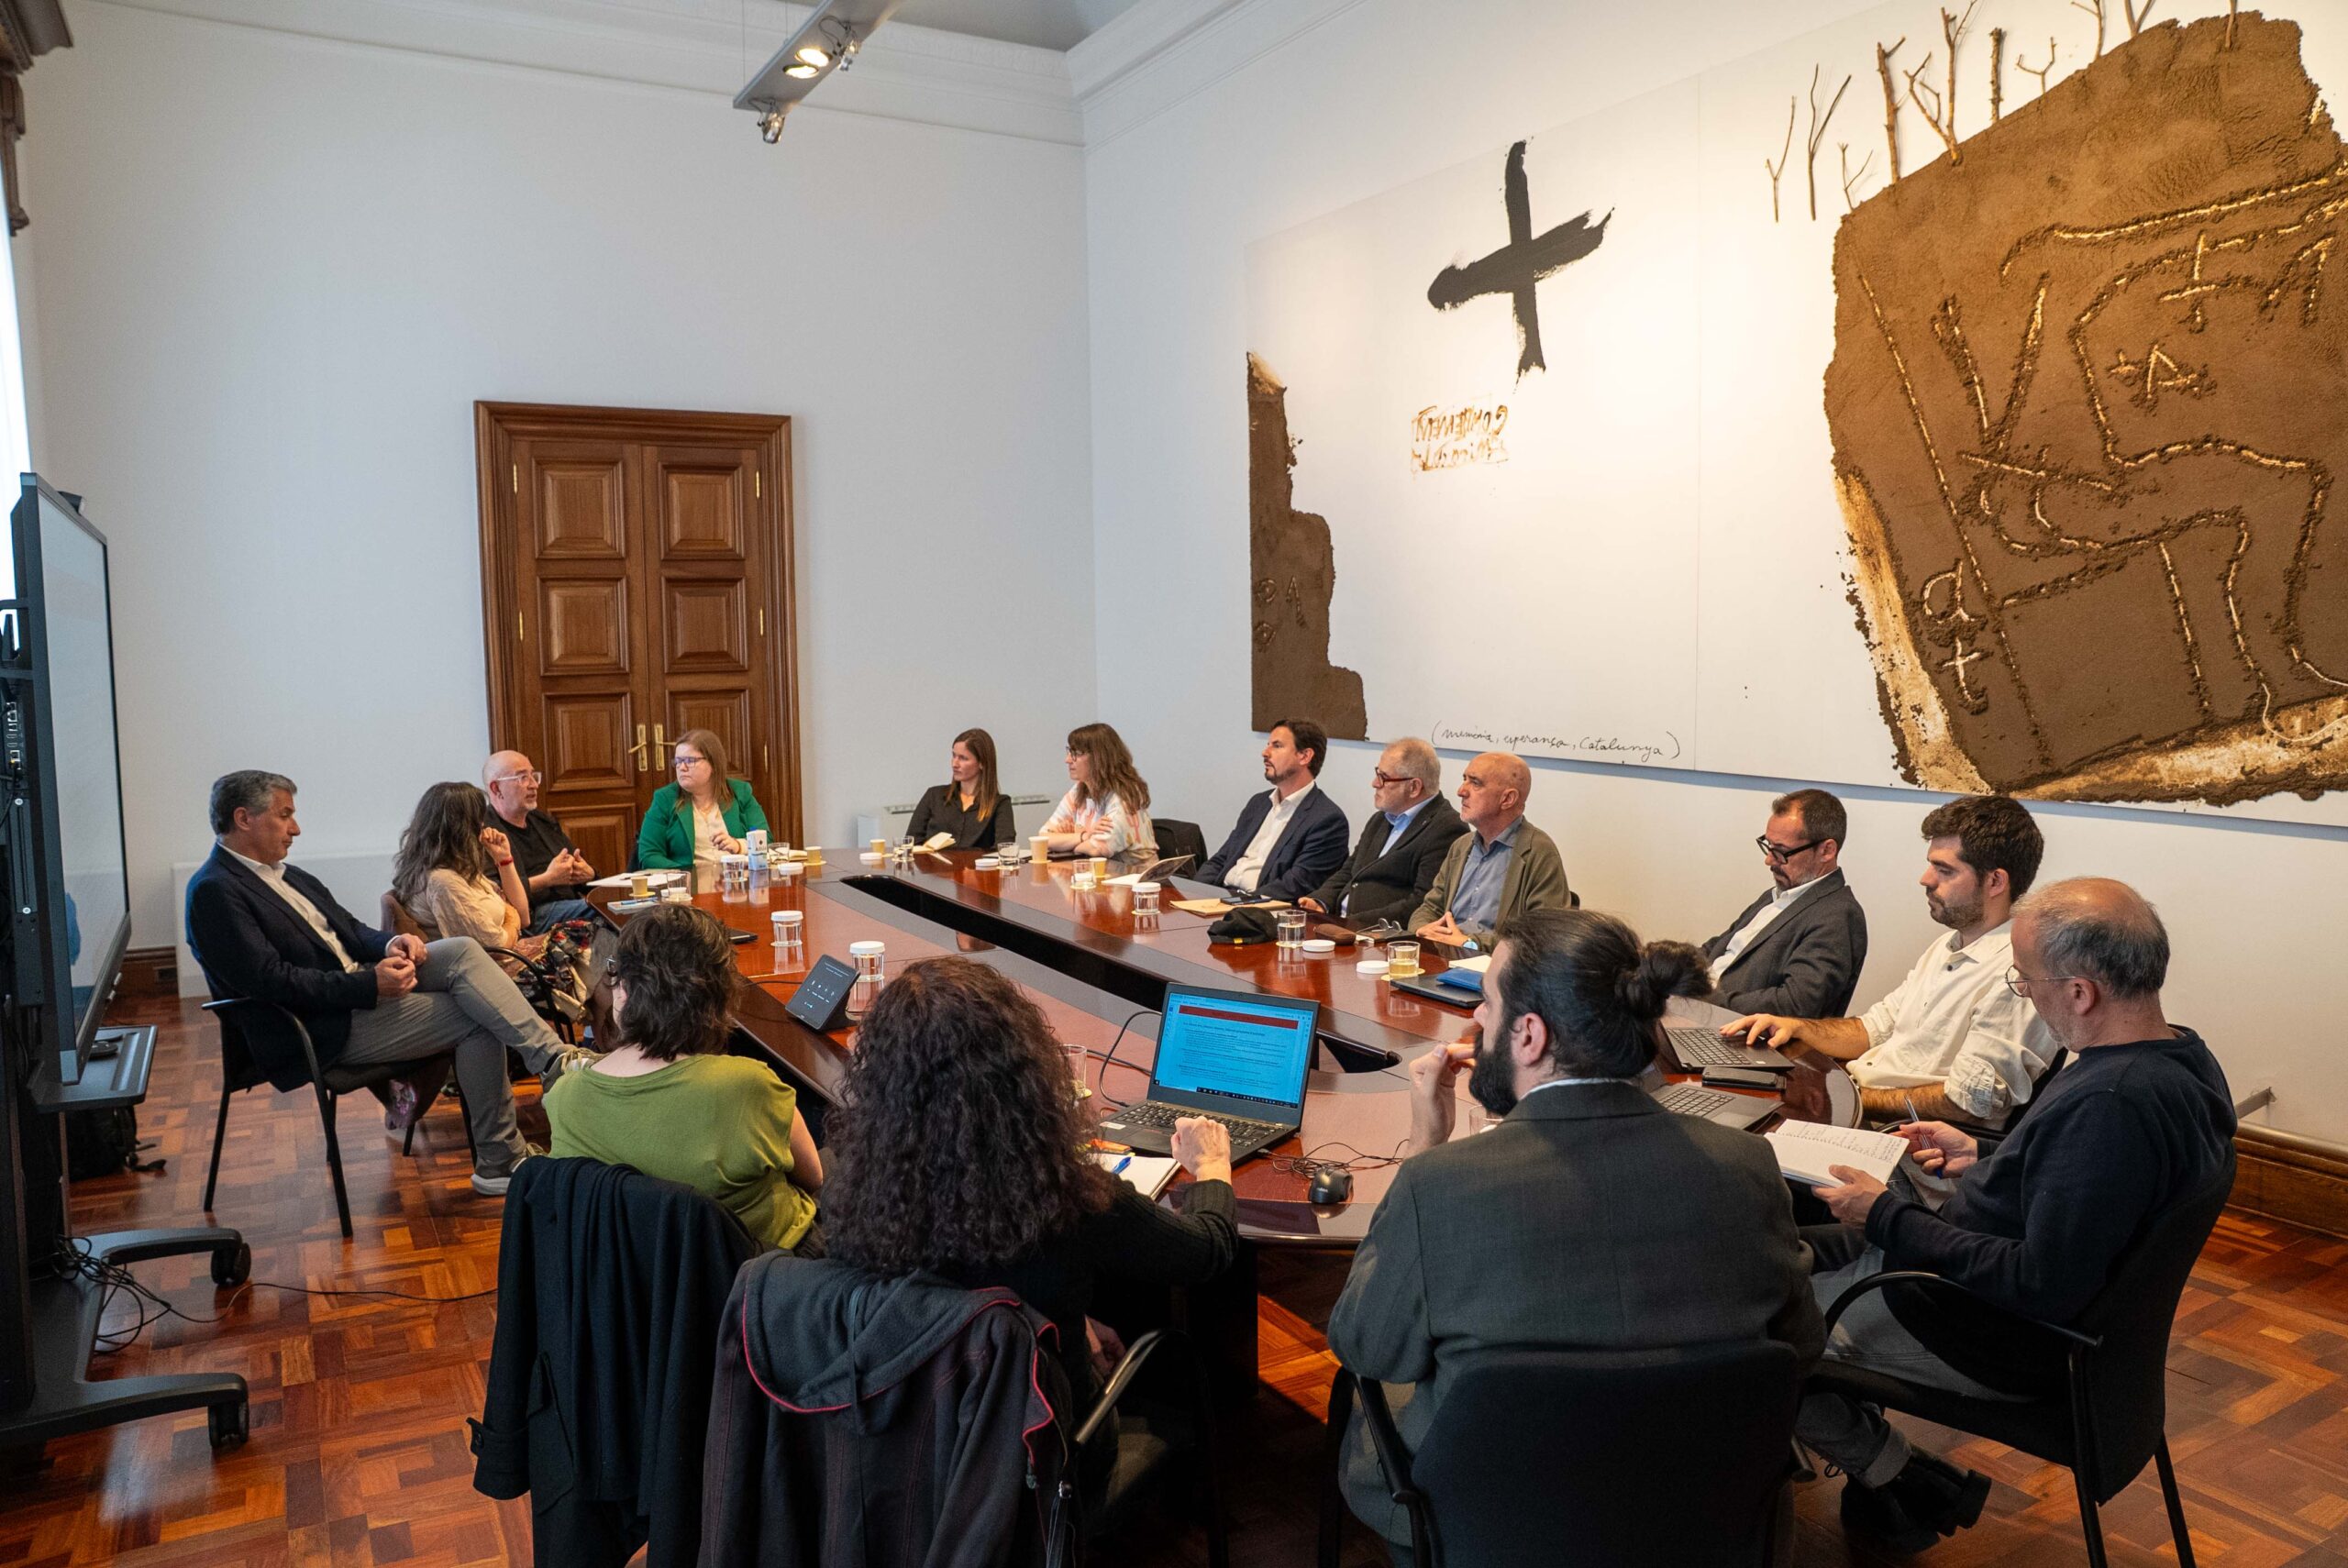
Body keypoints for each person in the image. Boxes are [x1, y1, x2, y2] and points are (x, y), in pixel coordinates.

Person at [1328, 908, 1822, 1558]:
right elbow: (1801, 1346)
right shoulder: (1748, 1165)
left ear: (1530, 1035)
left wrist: (1424, 1147)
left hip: (1491, 1522)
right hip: (1700, 1513)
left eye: (1487, 1003)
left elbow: (1367, 1346)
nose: (1478, 1017)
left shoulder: (1440, 1184)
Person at [1797, 879, 2234, 1553]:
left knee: (1751, 1327)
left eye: (2024, 979)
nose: (2022, 992)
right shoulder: (2180, 1057)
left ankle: (1897, 1474)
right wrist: (1987, 1157)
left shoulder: (2111, 1103)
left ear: (2081, 992)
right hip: (1975, 1294)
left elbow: (2040, 1283)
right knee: (1779, 1254)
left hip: (1976, 1327)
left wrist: (1884, 1215)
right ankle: (1895, 1481)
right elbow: (2095, 1186)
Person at [817, 957, 1235, 1501]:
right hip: (1049, 1459)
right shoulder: (1062, 1195)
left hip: (912, 1443)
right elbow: (1207, 1251)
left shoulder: (850, 1180)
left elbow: (945, 1299)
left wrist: (1068, 1320)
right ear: (1020, 1068)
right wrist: (1212, 1166)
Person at [184, 770, 588, 1197]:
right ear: (244, 818)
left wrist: (394, 942)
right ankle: (501, 1159)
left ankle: (553, 1060)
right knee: (478, 1016)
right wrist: (369, 985)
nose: (296, 828)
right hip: (319, 1024)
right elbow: (272, 982)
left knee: (462, 950)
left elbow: (352, 930)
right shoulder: (215, 891)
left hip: (354, 990)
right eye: (284, 816)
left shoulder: (289, 875)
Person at [1727, 795, 2054, 1126]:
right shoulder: (1947, 946)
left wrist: (1842, 1098)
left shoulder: (2017, 974)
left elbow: (1967, 1101)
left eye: (1944, 870)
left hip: (1900, 1139)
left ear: (1995, 882)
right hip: (1861, 1102)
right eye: (1931, 865)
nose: (1926, 879)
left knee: (1731, 1136)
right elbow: (1874, 1029)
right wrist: (1796, 1026)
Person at [545, 904, 823, 1253]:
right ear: (722, 1000)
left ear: (623, 992)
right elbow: (813, 1177)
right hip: (762, 1272)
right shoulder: (749, 1085)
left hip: (634, 1278)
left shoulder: (564, 1099)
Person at [1701, 788, 1869, 1017]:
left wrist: (1706, 999)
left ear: (1827, 850)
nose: (1769, 860)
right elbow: (1718, 948)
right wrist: (1667, 967)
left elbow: (1796, 1004)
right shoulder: (1778, 894)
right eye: (1768, 845)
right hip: (1702, 1012)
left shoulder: (1837, 916)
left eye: (1781, 851)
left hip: (1737, 1028)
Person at [1404, 751, 1570, 949]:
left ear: (1507, 799)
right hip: (1445, 955)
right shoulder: (1461, 846)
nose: (1461, 791)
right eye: (1464, 779)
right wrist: (1423, 929)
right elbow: (1430, 908)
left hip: (1493, 964)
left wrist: (1470, 944)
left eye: (1475, 783)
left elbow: (1543, 936)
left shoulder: (1538, 852)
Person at [1301, 737, 1466, 925]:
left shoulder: (1446, 828)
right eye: (1377, 774)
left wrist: (1350, 923)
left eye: (1384, 777)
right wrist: (1320, 900)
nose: (1374, 783)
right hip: (1340, 924)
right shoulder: (1381, 818)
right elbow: (1349, 871)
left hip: (1378, 933)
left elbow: (1422, 903)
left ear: (1414, 787)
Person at [1192, 718, 1351, 900]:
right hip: (1223, 897)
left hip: (1259, 908)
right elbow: (1222, 859)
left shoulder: (1327, 820)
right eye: (1268, 745)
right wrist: (1193, 893)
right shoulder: (1259, 803)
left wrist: (1235, 904)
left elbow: (1296, 885)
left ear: (1304, 756)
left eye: (1277, 746)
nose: (1265, 753)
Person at [391, 782, 537, 955]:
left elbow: (523, 917)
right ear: (463, 829)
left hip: (508, 955)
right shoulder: (443, 880)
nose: (483, 826)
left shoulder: (459, 868)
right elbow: (496, 947)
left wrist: (504, 859)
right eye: (479, 821)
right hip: (490, 966)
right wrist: (512, 919)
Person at [483, 750, 596, 931]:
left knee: (622, 903)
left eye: (534, 776)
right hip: (534, 914)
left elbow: (576, 867)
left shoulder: (542, 821)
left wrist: (590, 875)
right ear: (496, 788)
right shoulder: (487, 835)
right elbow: (495, 894)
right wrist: (547, 879)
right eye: (522, 778)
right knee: (603, 909)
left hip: (570, 902)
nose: (534, 785)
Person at [637, 728, 770, 870]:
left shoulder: (740, 792)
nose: (682, 767)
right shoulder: (665, 798)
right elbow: (649, 855)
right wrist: (688, 874)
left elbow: (765, 839)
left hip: (736, 878)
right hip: (689, 881)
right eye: (678, 761)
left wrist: (739, 845)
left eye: (690, 761)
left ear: (713, 764)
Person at [1039, 722, 1156, 859]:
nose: (1068, 760)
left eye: (1076, 753)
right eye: (1069, 752)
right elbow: (1043, 838)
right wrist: (1085, 836)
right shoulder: (1079, 790)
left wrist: (1067, 841)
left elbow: (1095, 850)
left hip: (1133, 872)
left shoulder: (1124, 796)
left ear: (1100, 757)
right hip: (1097, 870)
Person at [904, 727, 1015, 851]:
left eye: (963, 758)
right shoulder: (933, 795)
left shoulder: (1000, 804)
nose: (954, 764)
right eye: (954, 756)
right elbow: (911, 843)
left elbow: (1004, 850)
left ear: (982, 763)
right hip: (932, 864)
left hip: (977, 865)